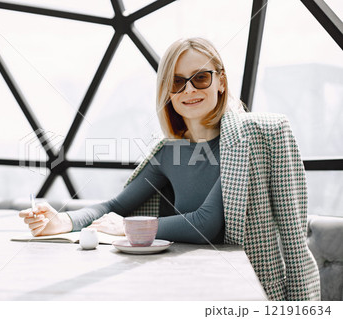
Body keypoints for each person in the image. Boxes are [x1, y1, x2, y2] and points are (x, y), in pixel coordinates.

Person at [19, 37, 321, 301]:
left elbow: (206, 223)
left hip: (246, 288)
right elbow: (116, 205)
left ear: (221, 81)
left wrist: (126, 228)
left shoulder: (252, 136)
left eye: (200, 78)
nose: (189, 90)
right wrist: (62, 221)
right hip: (184, 282)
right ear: (168, 92)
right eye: (177, 82)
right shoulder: (167, 152)